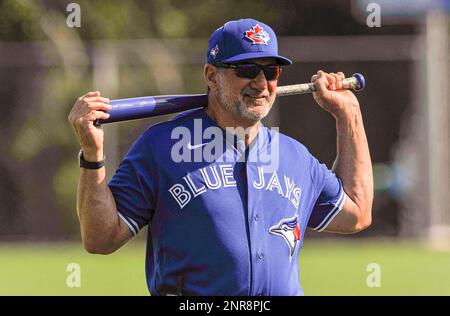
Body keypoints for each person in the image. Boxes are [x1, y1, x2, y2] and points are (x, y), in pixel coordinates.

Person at [68, 18, 373, 296]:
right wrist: (93, 155)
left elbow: (357, 212)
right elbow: (100, 239)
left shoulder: (294, 155)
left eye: (270, 71)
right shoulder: (161, 147)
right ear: (211, 75)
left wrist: (349, 114)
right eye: (247, 70)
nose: (260, 83)